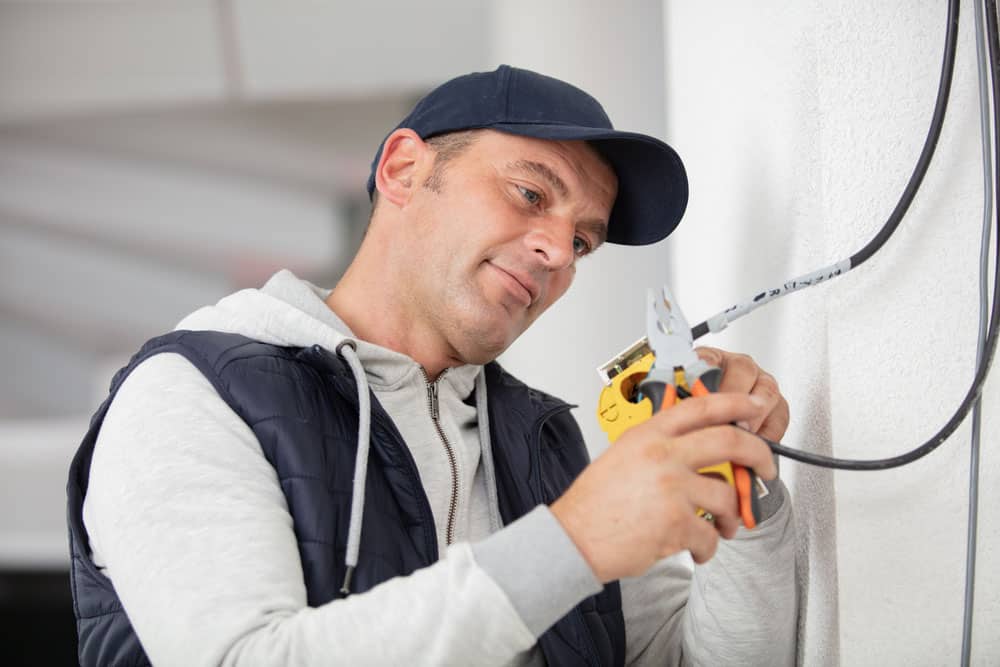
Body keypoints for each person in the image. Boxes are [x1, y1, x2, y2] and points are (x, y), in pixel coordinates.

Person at [67, 65, 797, 666]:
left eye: (582, 240)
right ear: (404, 169)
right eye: (531, 193)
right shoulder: (192, 395)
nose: (555, 250)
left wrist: (741, 485)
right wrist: (570, 542)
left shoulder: (546, 446)